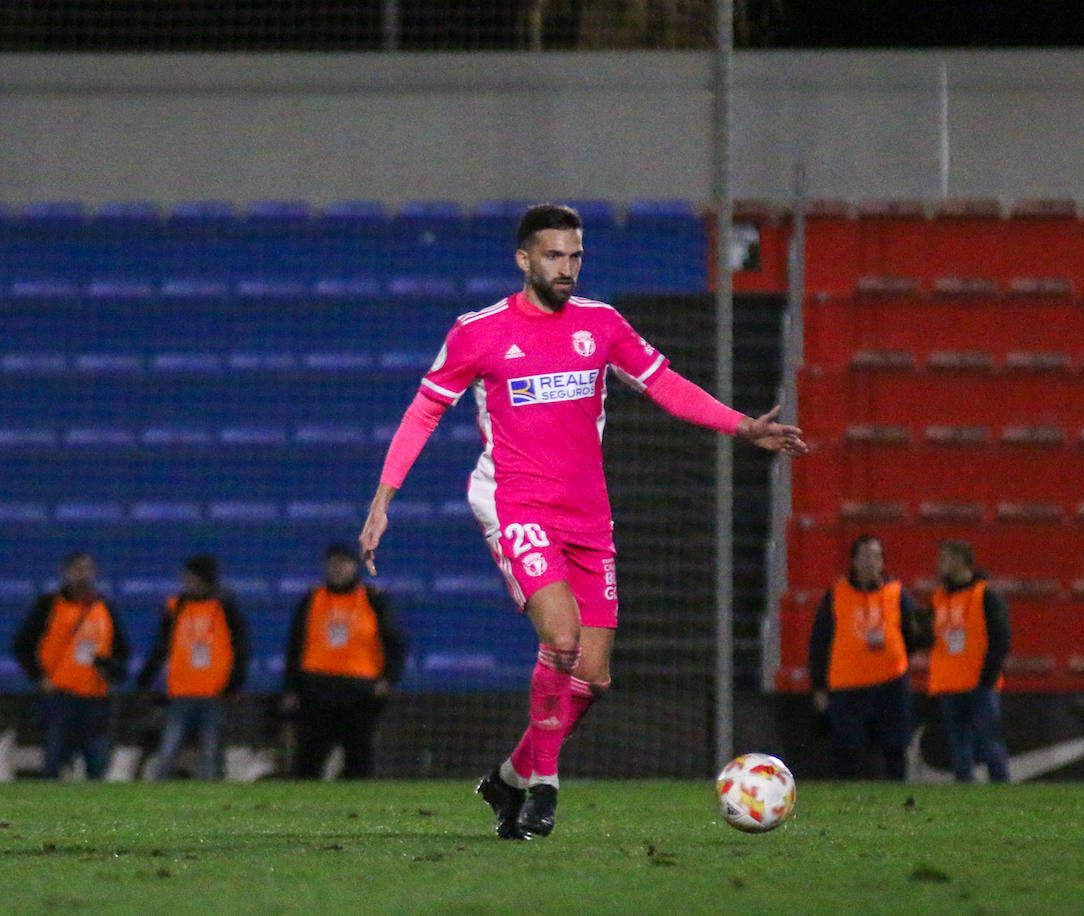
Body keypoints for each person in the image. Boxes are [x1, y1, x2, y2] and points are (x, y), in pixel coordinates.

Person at [358, 203, 807, 839]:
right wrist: (383, 498)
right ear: (523, 260)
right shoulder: (478, 332)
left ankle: (510, 776)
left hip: (588, 514)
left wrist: (743, 426)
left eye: (575, 256)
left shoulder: (601, 326)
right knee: (561, 642)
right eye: (553, 256)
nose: (566, 268)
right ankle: (544, 786)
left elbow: (666, 384)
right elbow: (423, 412)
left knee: (592, 676)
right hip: (517, 504)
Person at [808, 535, 930, 780]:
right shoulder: (836, 594)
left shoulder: (897, 594)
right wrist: (819, 686)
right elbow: (819, 642)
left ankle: (897, 805)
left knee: (895, 748)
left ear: (882, 562)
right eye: (864, 556)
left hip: (891, 683)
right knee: (846, 750)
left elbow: (913, 635)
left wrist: (896, 655)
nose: (870, 562)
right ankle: (847, 806)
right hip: (847, 685)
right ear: (853, 561)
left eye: (875, 556)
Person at [281, 544, 406, 779]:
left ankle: (357, 810)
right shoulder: (311, 599)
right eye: (332, 564)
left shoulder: (372, 599)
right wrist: (291, 688)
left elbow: (395, 642)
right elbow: (295, 645)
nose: (337, 569)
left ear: (354, 567)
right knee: (308, 759)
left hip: (359, 691)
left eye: (343, 564)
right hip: (316, 689)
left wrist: (388, 678)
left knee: (359, 758)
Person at [10, 552, 129, 779]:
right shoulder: (49, 605)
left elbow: (122, 651)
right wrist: (39, 677)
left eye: (87, 569)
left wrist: (110, 669)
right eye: (77, 569)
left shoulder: (105, 608)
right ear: (66, 573)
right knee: (54, 761)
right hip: (59, 696)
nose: (82, 575)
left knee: (96, 763)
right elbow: (22, 645)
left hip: (95, 697)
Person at [136, 555, 249, 780]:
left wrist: (234, 682)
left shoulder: (224, 606)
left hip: (213, 692)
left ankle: (212, 803)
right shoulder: (176, 606)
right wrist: (146, 678)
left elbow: (241, 648)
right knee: (168, 750)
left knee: (210, 753)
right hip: (180, 691)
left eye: (191, 577)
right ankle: (158, 799)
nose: (186, 582)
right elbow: (161, 646)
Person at [927, 539, 1011, 783]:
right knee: (959, 750)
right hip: (949, 684)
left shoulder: (986, 595)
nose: (939, 564)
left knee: (989, 745)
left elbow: (1000, 638)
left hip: (979, 684)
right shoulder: (939, 598)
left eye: (944, 558)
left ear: (961, 561)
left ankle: (1003, 795)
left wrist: (987, 676)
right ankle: (965, 802)